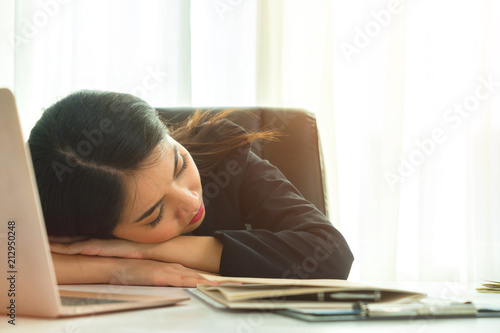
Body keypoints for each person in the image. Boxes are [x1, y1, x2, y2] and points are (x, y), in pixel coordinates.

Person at [28, 90, 354, 287]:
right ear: (100, 231)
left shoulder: (222, 152)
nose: (190, 200)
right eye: (154, 216)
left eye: (180, 165)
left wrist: (150, 249)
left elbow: (331, 254)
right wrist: (120, 268)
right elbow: (12, 270)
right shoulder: (68, 206)